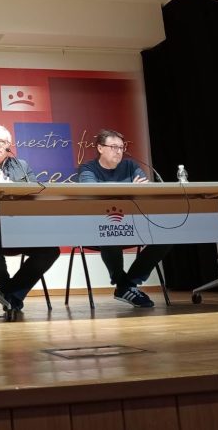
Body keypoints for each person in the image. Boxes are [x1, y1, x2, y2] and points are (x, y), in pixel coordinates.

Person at [0, 125, 60, 311]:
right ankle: (9, 290)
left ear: (9, 145)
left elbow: (34, 191)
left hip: (18, 229)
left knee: (50, 250)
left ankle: (12, 291)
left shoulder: (21, 166)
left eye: (3, 142)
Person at [77, 128, 171, 308]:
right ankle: (125, 285)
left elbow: (143, 193)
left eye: (122, 147)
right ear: (100, 148)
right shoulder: (88, 168)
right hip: (99, 228)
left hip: (133, 223)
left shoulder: (130, 166)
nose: (119, 151)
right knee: (109, 231)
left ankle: (127, 284)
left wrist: (122, 192)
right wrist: (128, 189)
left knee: (166, 238)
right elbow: (93, 193)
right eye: (113, 147)